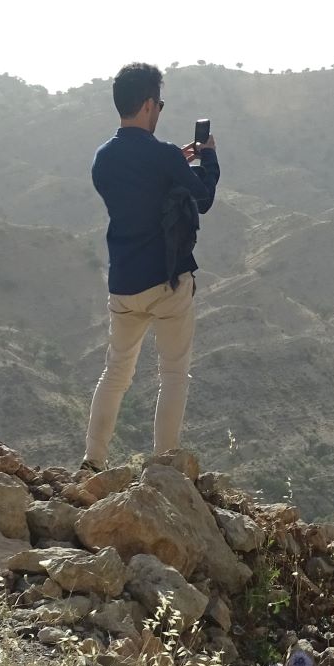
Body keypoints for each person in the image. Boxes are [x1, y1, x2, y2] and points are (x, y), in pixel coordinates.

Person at [81, 62, 219, 472]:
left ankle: (92, 460)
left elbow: (138, 183)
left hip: (123, 282)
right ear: (146, 105)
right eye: (158, 103)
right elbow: (203, 199)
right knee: (173, 373)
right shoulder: (163, 157)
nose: (159, 110)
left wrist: (174, 160)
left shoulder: (102, 159)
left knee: (117, 371)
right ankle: (163, 469)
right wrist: (206, 159)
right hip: (167, 281)